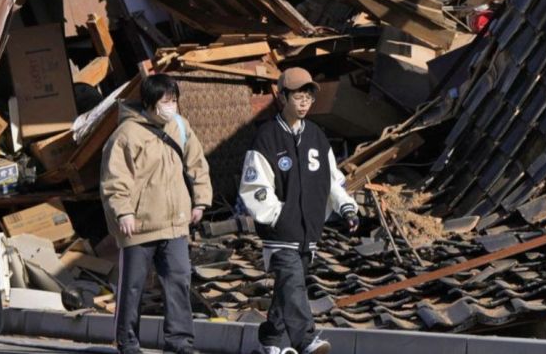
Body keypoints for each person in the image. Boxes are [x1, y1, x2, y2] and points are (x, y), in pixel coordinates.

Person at [238, 67, 359, 354]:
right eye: (298, 96)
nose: (304, 102)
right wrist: (277, 215)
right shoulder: (266, 137)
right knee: (293, 285)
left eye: (308, 97)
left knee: (287, 289)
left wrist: (347, 208)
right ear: (282, 98)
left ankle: (271, 340)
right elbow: (254, 186)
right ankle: (306, 340)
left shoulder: (317, 137)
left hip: (310, 232)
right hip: (281, 232)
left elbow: (332, 179)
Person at [100, 73, 212, 354]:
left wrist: (200, 202)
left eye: (174, 101)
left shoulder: (180, 126)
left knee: (178, 280)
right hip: (139, 225)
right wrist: (123, 212)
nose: (171, 106)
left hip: (175, 223)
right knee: (133, 287)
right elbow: (115, 179)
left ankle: (179, 341)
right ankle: (127, 340)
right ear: (150, 103)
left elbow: (197, 164)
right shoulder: (126, 135)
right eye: (165, 101)